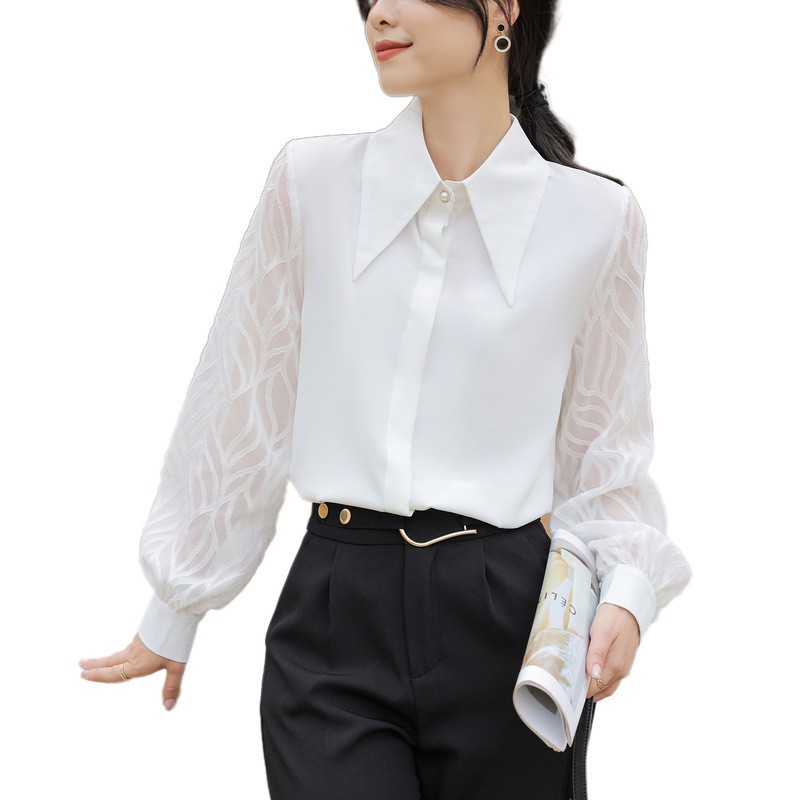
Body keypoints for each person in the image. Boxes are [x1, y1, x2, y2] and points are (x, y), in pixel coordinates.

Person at [79, 1, 693, 798]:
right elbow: (244, 393)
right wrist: (178, 602)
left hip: (511, 624)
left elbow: (605, 451)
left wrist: (628, 597)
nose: (382, 13)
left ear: (505, 9)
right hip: (335, 614)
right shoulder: (310, 183)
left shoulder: (599, 221)